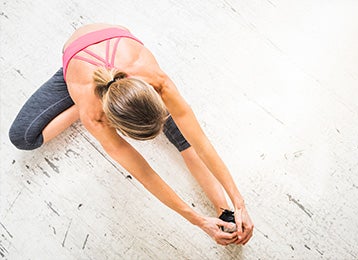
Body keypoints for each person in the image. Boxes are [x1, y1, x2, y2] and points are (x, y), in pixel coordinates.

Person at [9, 23, 253, 245]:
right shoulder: (94, 117)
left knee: (187, 142)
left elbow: (201, 144)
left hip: (119, 55)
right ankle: (82, 101)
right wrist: (198, 221)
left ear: (153, 94)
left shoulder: (157, 80)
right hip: (83, 73)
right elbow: (145, 173)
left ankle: (226, 214)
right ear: (116, 125)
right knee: (22, 137)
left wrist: (238, 203)